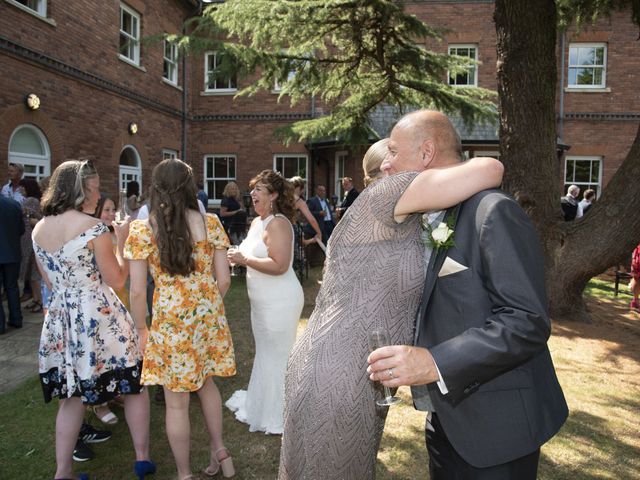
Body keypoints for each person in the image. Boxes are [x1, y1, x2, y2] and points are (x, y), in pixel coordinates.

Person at [278, 131, 504, 479]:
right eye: (397, 155)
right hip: (339, 373)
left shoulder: (397, 217)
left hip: (350, 367)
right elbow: (491, 168)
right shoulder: (385, 194)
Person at [368, 110, 568, 479]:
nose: (385, 164)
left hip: (498, 428)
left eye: (394, 152)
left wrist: (434, 362)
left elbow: (527, 321)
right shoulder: (434, 216)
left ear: (426, 152)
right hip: (447, 417)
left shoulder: (493, 212)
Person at [31, 159, 154, 480]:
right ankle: (142, 459)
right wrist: (123, 239)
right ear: (80, 188)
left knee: (71, 397)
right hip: (99, 316)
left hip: (62, 318)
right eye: (95, 188)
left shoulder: (38, 229)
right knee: (133, 384)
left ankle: (63, 473)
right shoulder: (93, 227)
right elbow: (116, 280)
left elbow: (48, 282)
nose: (97, 195)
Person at [125, 158, 236, 480]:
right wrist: (207, 308)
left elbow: (135, 291)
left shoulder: (143, 229)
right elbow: (224, 280)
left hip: (170, 323)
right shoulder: (211, 222)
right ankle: (221, 452)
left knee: (176, 404)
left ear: (156, 188)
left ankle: (185, 474)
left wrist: (142, 328)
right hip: (206, 320)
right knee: (207, 385)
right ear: (190, 187)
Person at [226, 170, 304, 435]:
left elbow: (280, 265)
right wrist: (235, 256)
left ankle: (281, 413)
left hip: (279, 301)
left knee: (277, 355)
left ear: (274, 195)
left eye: (259, 189)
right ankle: (262, 405)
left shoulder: (278, 223)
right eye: (253, 189)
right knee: (266, 353)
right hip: (261, 302)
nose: (253, 194)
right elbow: (251, 253)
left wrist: (243, 260)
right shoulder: (257, 222)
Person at [18, 178, 43, 312]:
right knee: (30, 273)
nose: (20, 189)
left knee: (33, 273)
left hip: (30, 239)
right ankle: (36, 299)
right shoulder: (30, 200)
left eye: (22, 187)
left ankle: (39, 300)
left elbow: (37, 218)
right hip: (28, 238)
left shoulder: (31, 200)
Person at [0, 195, 24, 334]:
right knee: (12, 286)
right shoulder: (14, 204)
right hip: (12, 252)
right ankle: (16, 318)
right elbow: (21, 229)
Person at [219, 181, 247, 245]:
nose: (234, 190)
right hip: (231, 227)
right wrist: (236, 212)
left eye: (235, 188)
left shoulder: (234, 199)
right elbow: (222, 213)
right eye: (232, 188)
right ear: (228, 189)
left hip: (238, 227)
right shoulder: (226, 200)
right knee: (237, 245)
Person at [630, 244, 640, 311]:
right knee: (636, 279)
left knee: (636, 280)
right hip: (637, 261)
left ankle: (635, 301)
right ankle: (635, 301)